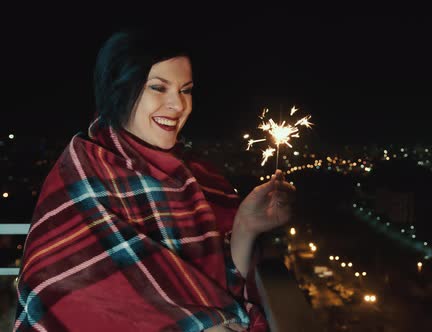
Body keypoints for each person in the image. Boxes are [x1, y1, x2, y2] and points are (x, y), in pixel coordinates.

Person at [13, 29, 295, 332]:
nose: (178, 105)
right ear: (118, 90)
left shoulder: (201, 180)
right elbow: (62, 294)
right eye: (159, 88)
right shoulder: (82, 174)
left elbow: (222, 285)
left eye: (186, 90)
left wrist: (245, 227)